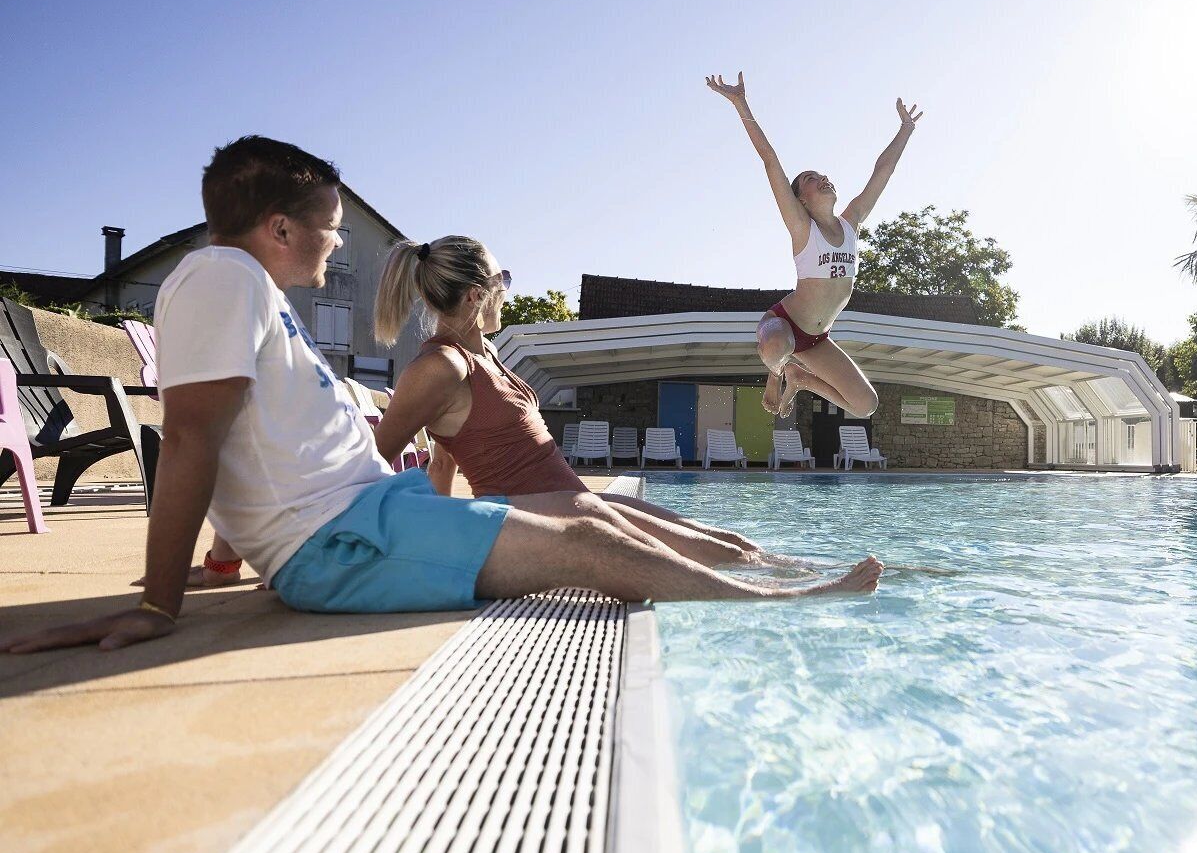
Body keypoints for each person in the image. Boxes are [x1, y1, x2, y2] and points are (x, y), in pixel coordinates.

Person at [0, 136, 882, 655]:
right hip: (337, 544)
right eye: (329, 229)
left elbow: (255, 443)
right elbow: (192, 437)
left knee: (595, 530)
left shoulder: (245, 290)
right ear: (278, 228)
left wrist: (225, 560)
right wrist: (160, 603)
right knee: (586, 542)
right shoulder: (223, 278)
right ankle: (778, 604)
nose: (336, 244)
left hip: (366, 516)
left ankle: (775, 587)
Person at [370, 234, 769, 568]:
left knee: (732, 544)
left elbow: (445, 458)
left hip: (571, 500)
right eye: (502, 279)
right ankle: (803, 590)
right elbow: (373, 462)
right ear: (477, 295)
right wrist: (440, 550)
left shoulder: (485, 353)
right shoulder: (440, 367)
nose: (507, 290)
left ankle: (804, 580)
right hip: (537, 518)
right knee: (722, 558)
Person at [706, 71, 920, 417]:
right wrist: (740, 104)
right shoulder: (802, 228)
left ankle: (801, 378)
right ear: (801, 200)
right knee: (777, 347)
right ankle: (777, 374)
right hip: (783, 325)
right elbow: (769, 160)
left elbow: (883, 171)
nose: (823, 178)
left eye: (823, 175)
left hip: (817, 339)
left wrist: (906, 129)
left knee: (865, 405)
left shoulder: (852, 222)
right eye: (810, 178)